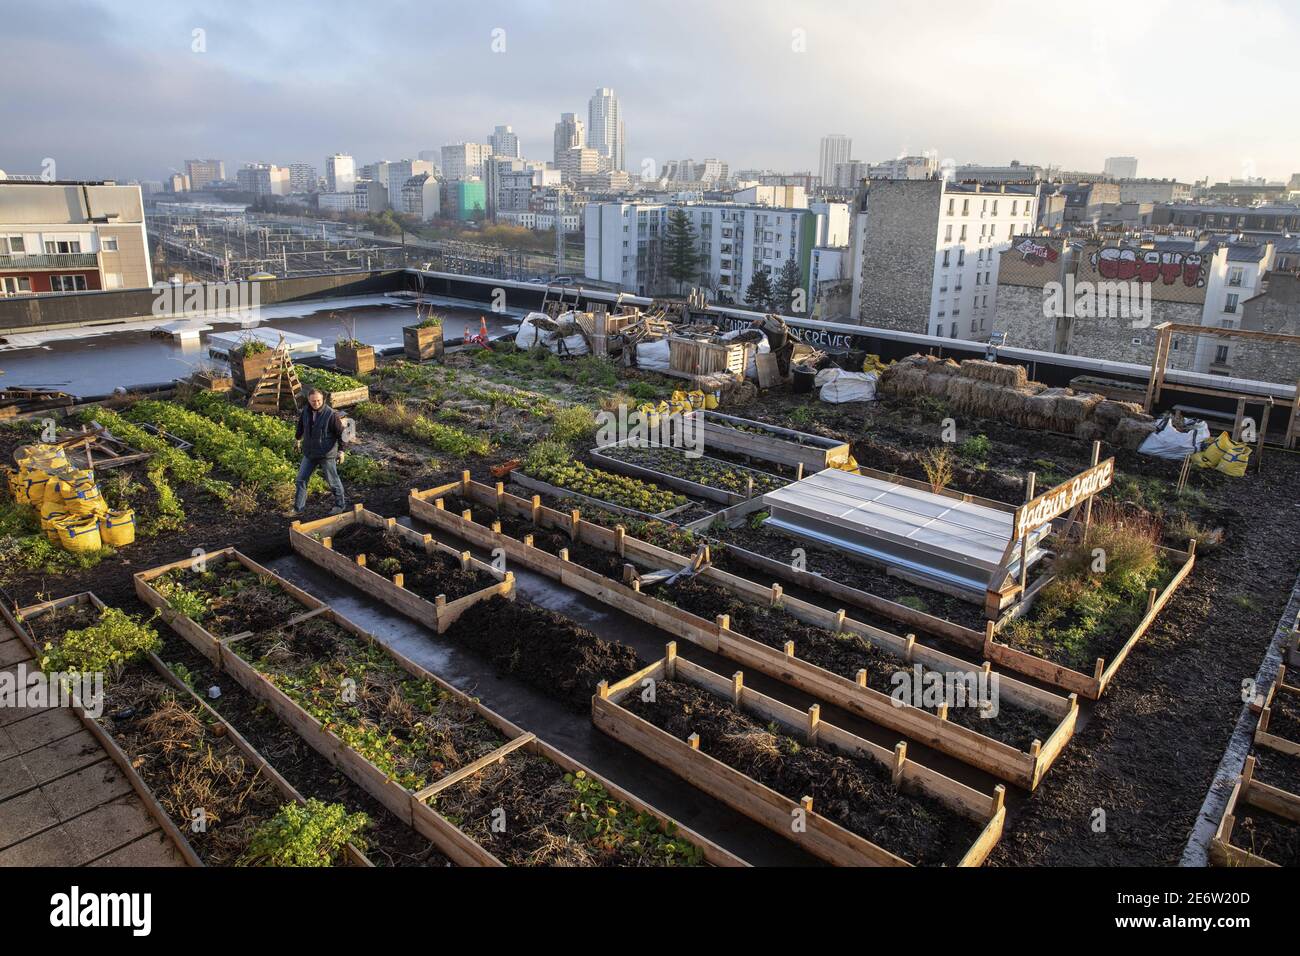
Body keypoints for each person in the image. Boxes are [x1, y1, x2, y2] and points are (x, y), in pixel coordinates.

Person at [291, 388, 347, 517]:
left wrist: (342, 451)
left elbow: (343, 434)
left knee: (333, 481)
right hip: (309, 453)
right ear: (309, 400)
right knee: (301, 480)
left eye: (318, 400)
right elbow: (301, 426)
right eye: (313, 401)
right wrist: (298, 439)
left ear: (322, 400)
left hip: (326, 454)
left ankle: (340, 506)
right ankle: (298, 509)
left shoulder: (330, 415)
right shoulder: (306, 411)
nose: (316, 403)